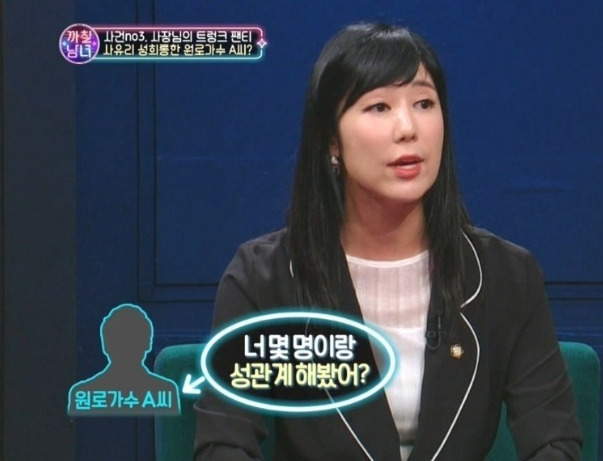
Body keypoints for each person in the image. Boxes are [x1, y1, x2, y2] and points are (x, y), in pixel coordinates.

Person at [194, 22, 582, 460]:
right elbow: (224, 445)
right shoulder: (264, 279)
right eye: (379, 106)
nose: (408, 127)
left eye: (424, 103)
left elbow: (554, 442)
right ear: (331, 140)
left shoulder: (505, 275)